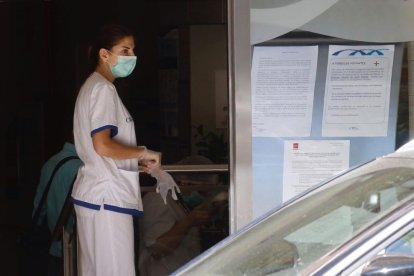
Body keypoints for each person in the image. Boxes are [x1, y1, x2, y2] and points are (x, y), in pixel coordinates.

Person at [72, 23, 161, 276]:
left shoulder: (92, 86)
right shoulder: (103, 89)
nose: (132, 57)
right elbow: (102, 145)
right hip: (106, 199)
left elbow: (101, 147)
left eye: (132, 50)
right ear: (104, 54)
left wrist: (135, 161)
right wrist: (144, 152)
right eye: (125, 50)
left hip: (97, 196)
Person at [138, 155, 223, 276]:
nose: (203, 196)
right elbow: (156, 248)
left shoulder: (178, 201)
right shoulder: (158, 200)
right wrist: (188, 222)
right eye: (201, 191)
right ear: (185, 183)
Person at [32, 141, 83, 275]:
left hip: (53, 248)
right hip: (76, 254)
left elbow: (38, 209)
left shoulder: (50, 164)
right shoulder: (83, 169)